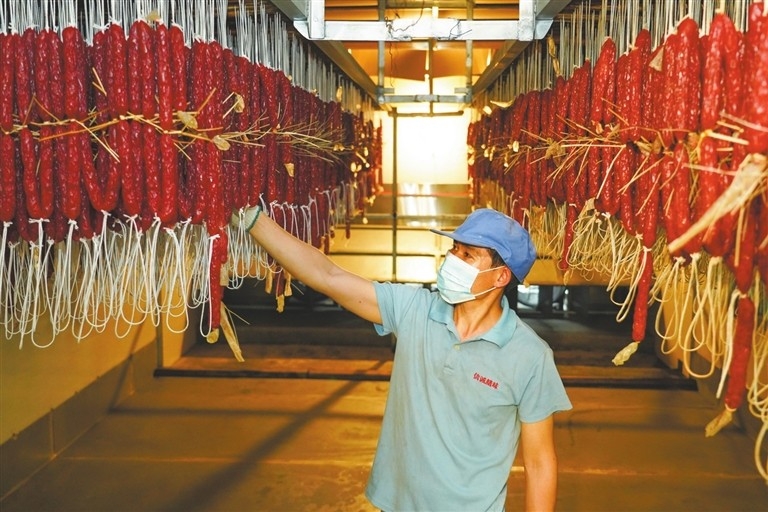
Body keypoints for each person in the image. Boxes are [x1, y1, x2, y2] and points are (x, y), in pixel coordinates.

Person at [233, 206, 572, 511]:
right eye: (454, 249)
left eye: (467, 255)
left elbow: (540, 462)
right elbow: (328, 277)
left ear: (501, 277)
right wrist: (254, 222)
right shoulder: (414, 310)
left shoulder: (529, 355)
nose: (452, 260)